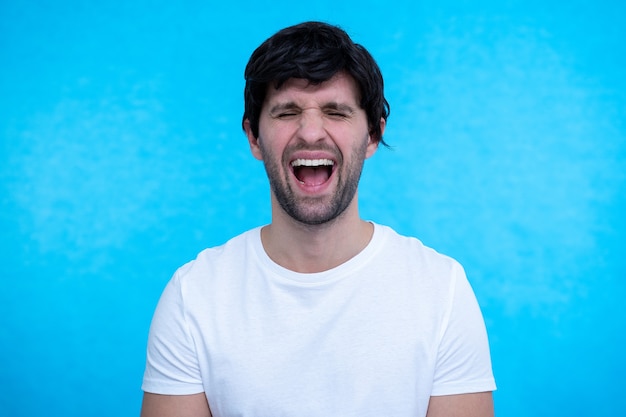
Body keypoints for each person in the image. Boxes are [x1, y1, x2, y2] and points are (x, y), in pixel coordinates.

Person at [140, 21, 496, 417]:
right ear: (254, 138)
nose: (311, 132)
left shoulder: (441, 290)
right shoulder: (194, 296)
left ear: (373, 136)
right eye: (287, 111)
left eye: (336, 112)